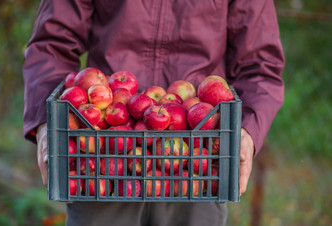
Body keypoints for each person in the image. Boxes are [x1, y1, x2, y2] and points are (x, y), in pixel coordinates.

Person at [23, 0, 284, 225]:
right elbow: (51, 45)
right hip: (105, 155)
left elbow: (260, 63)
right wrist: (46, 122)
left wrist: (247, 129)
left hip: (197, 156)